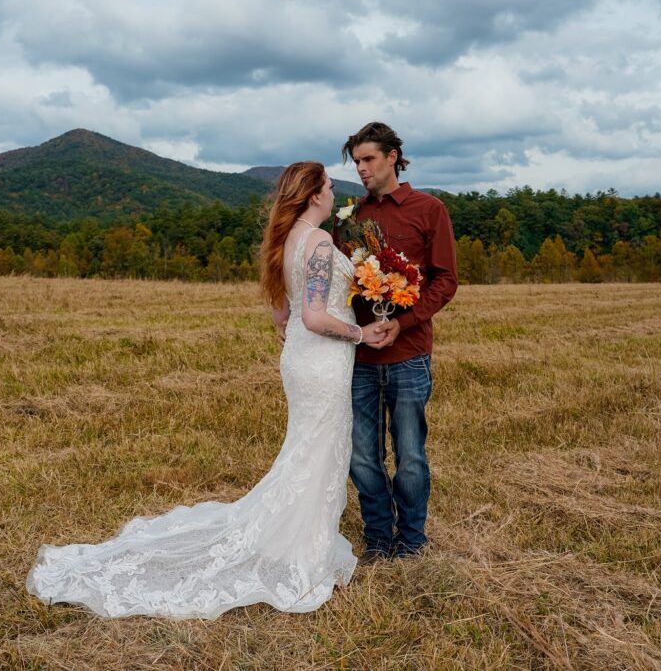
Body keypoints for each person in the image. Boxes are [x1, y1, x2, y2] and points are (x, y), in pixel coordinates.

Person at [27, 162, 385, 619]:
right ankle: (298, 551)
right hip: (322, 359)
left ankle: (293, 539)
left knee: (307, 447)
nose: (335, 193)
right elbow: (315, 316)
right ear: (314, 195)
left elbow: (284, 311)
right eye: (331, 186)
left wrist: (292, 328)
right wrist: (361, 335)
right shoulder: (316, 242)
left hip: (301, 356)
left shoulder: (284, 239)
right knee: (317, 448)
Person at [333, 122, 458, 561]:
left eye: (368, 159)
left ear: (392, 157)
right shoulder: (350, 219)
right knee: (362, 456)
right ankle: (379, 537)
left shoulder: (429, 210)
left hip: (409, 354)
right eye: (357, 161)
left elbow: (446, 281)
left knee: (410, 455)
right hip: (360, 357)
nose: (361, 169)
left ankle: (410, 540)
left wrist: (402, 325)